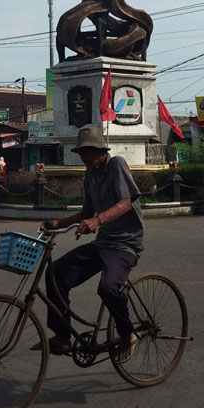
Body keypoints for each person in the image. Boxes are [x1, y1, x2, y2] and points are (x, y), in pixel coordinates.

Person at [38, 126, 143, 362]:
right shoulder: (90, 175)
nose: (84, 158)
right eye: (81, 154)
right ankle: (63, 335)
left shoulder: (116, 164)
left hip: (125, 244)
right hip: (104, 242)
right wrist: (58, 222)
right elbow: (87, 211)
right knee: (56, 273)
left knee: (107, 288)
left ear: (99, 151)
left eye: (87, 153)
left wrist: (97, 220)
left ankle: (128, 333)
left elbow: (126, 203)